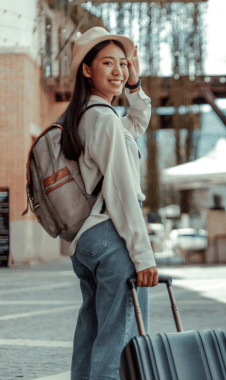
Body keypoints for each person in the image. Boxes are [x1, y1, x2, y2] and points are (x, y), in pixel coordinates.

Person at [60, 27, 158, 380]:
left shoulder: (86, 116)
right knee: (119, 343)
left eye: (122, 63)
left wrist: (135, 87)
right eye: (107, 63)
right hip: (110, 238)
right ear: (87, 70)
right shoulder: (104, 120)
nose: (118, 71)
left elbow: (136, 122)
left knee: (92, 336)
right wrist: (143, 255)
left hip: (85, 241)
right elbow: (121, 193)